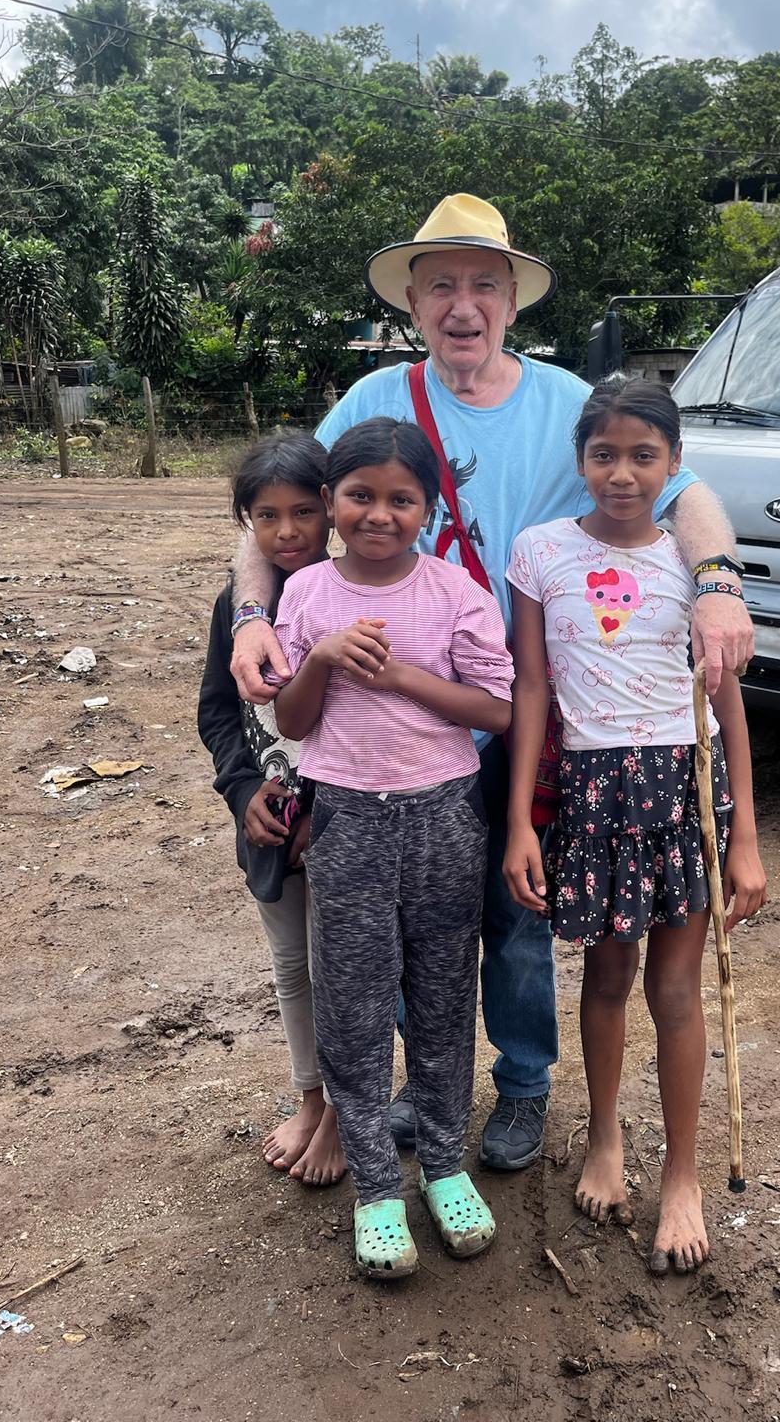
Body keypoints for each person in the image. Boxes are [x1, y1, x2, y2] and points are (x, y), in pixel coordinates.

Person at [229, 193, 756, 1171]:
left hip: (522, 712)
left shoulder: (571, 406)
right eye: (441, 287)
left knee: (517, 913)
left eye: (481, 284)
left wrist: (719, 584)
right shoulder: (370, 406)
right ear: (415, 304)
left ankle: (521, 1085)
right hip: (390, 725)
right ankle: (424, 1085)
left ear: (512, 298)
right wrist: (254, 614)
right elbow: (273, 518)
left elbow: (693, 497)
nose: (461, 305)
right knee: (398, 919)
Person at [503, 375, 767, 1275]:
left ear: (675, 464)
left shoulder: (698, 575)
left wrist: (747, 839)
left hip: (681, 787)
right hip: (588, 789)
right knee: (608, 974)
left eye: (643, 455)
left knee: (679, 987)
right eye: (604, 454)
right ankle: (606, 1136)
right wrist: (519, 823)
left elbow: (727, 708)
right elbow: (530, 687)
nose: (622, 473)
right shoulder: (539, 553)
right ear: (580, 462)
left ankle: (684, 1175)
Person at [269, 417, 514, 1278]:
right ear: (331, 503)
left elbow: (497, 711)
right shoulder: (305, 597)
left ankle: (445, 1165)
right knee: (355, 1005)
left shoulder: (454, 594)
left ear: (431, 509)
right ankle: (378, 1185)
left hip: (445, 815)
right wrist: (324, 659)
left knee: (445, 997)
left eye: (401, 499)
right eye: (360, 495)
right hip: (346, 819)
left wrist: (401, 676)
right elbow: (291, 723)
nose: (379, 514)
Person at [197, 430, 345, 1187]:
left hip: (342, 823)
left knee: (347, 968)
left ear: (330, 509)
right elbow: (220, 711)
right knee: (292, 967)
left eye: (301, 513)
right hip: (267, 824)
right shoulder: (240, 605)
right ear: (246, 521)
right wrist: (243, 790)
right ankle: (312, 1098)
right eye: (265, 516)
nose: (286, 533)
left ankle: (349, 1112)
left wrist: (330, 811)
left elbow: (367, 723)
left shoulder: (357, 594)